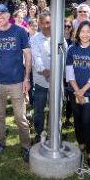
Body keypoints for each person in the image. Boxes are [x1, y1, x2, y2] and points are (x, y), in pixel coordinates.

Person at [0, 4, 32, 161]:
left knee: (20, 116)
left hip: (17, 82)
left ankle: (26, 146)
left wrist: (27, 78)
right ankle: (0, 143)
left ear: (9, 15)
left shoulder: (20, 31)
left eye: (3, 13)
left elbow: (27, 55)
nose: (0, 16)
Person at [65, 21, 90, 169]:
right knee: (78, 119)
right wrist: (76, 90)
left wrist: (83, 91)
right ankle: (81, 143)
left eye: (88, 31)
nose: (85, 34)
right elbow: (69, 71)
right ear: (78, 33)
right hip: (74, 91)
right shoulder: (72, 49)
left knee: (87, 121)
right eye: (83, 31)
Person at [30, 13, 53, 144]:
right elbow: (36, 57)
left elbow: (64, 55)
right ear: (39, 24)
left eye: (48, 22)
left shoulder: (59, 37)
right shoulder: (34, 39)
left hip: (56, 83)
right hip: (41, 82)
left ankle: (52, 133)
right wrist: (43, 70)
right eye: (43, 23)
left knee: (54, 109)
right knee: (39, 110)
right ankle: (39, 133)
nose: (45, 26)